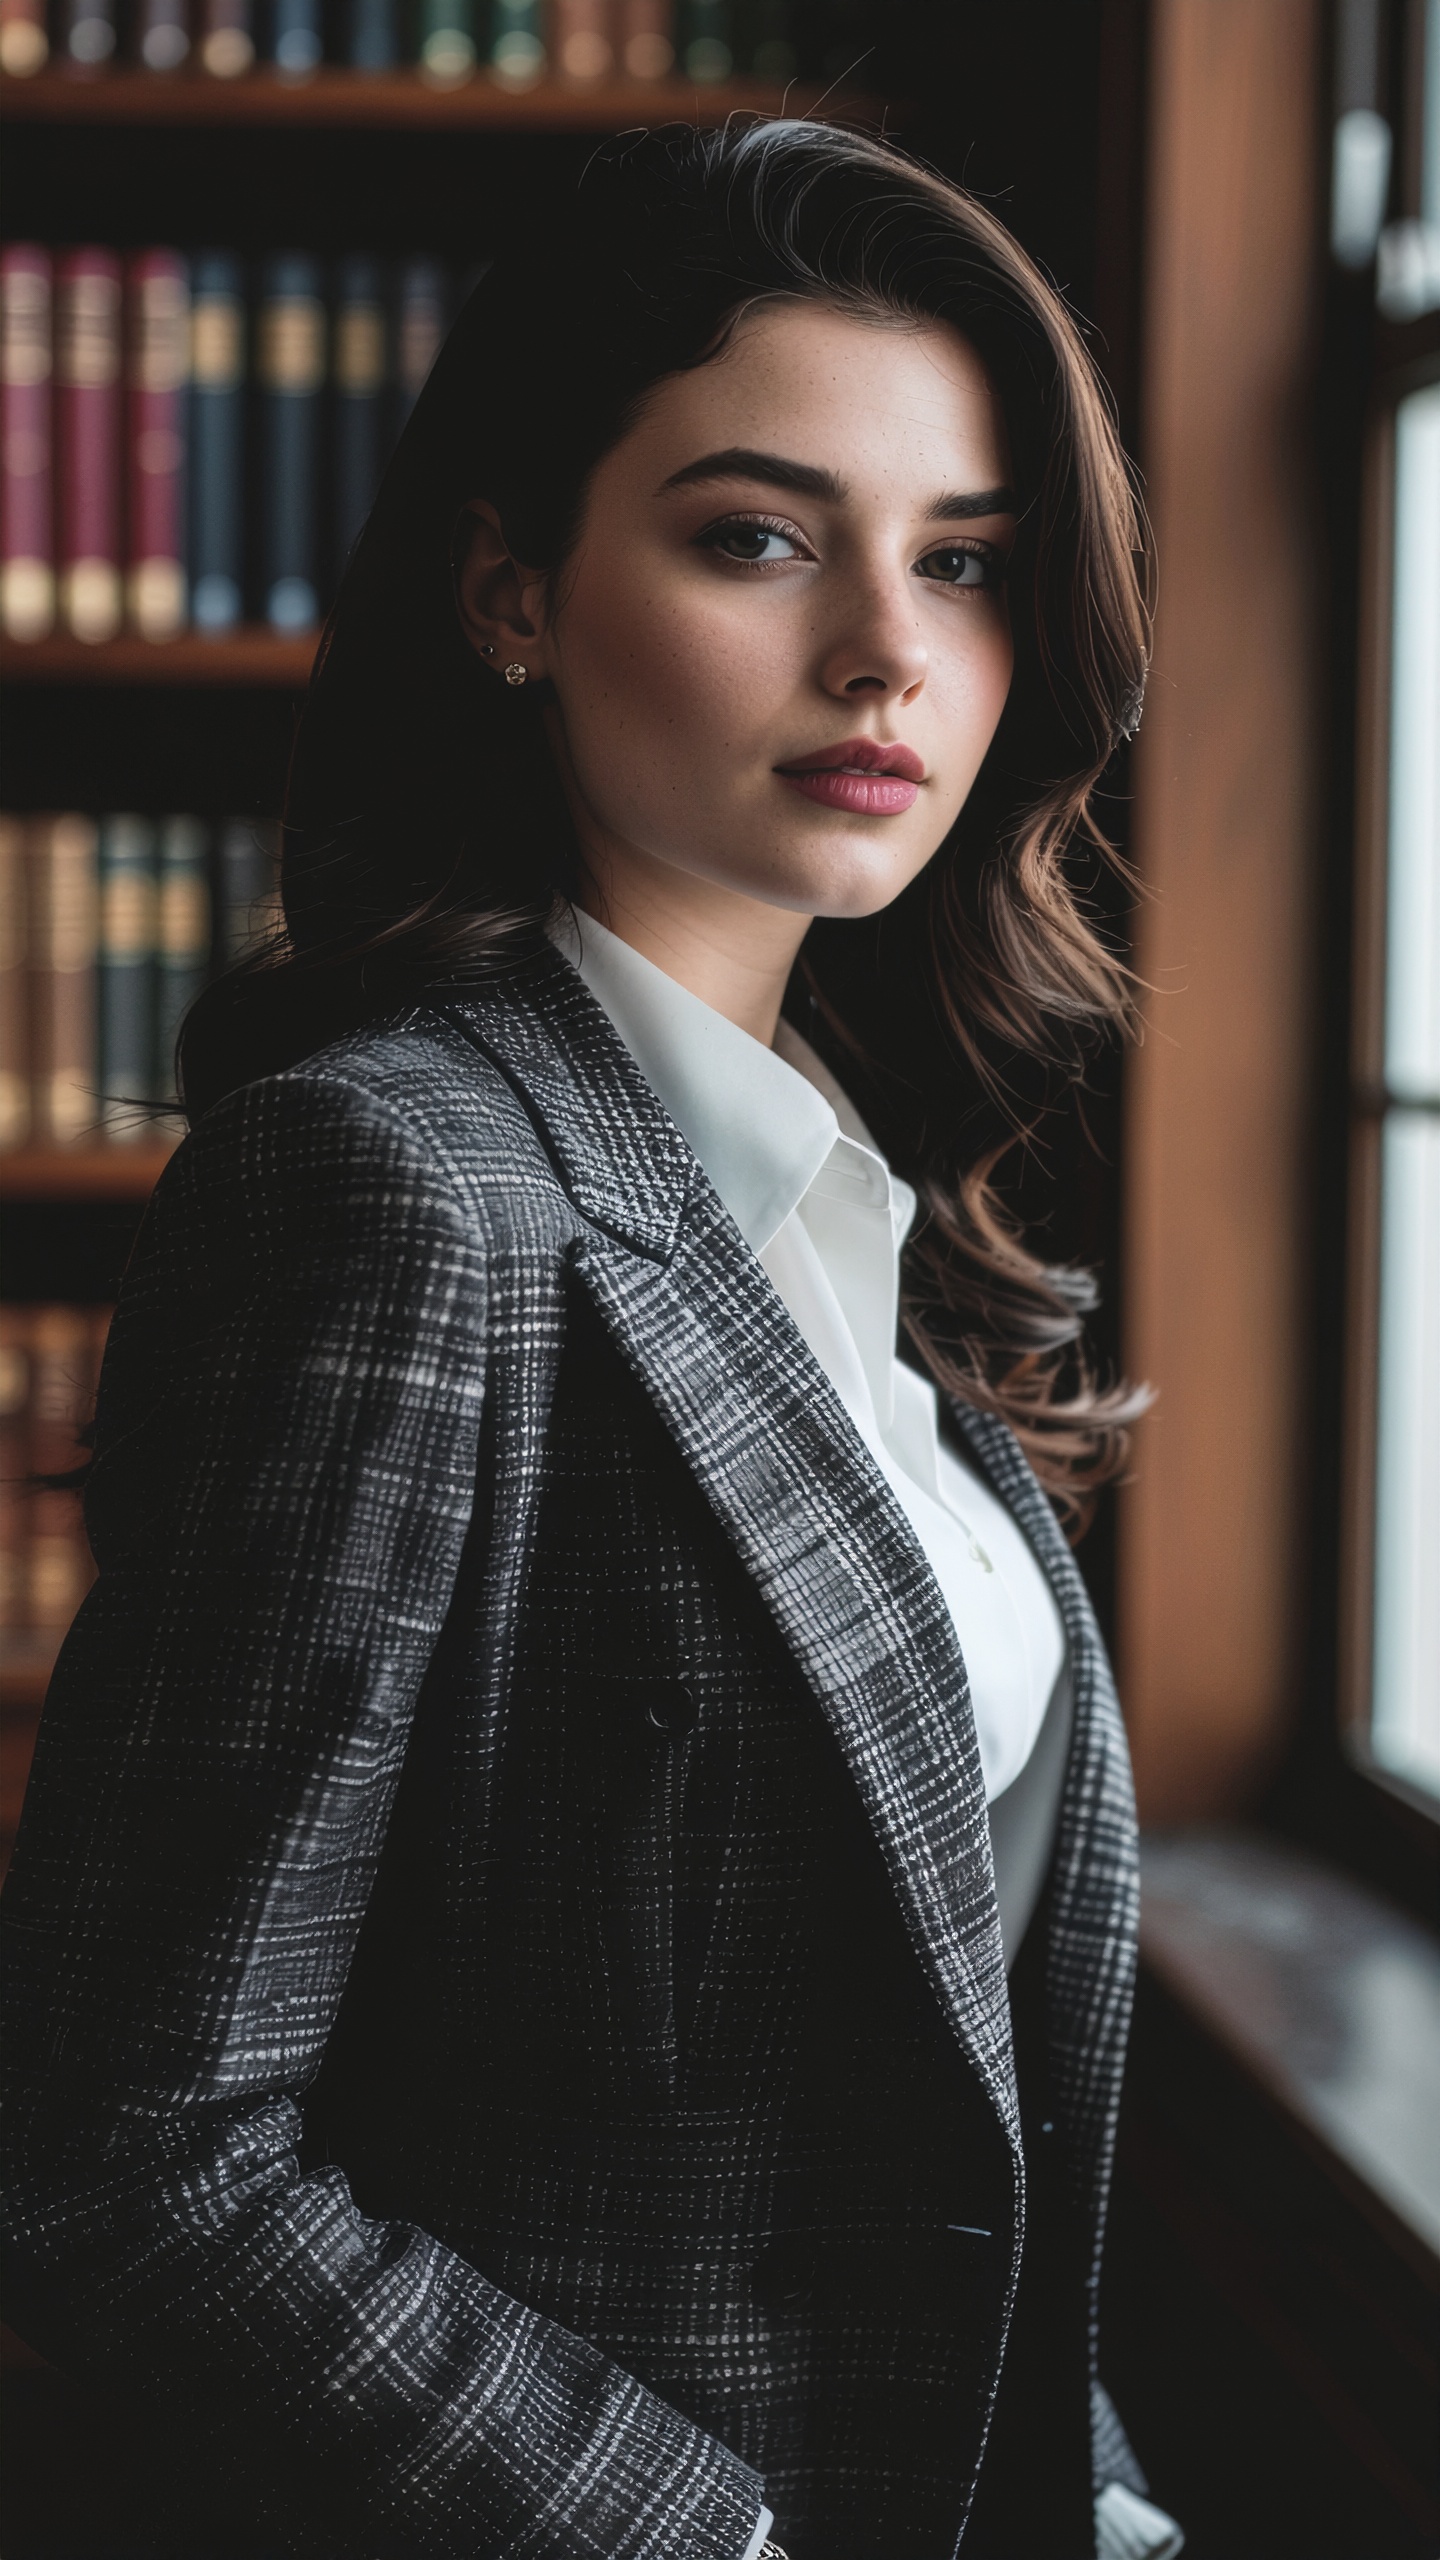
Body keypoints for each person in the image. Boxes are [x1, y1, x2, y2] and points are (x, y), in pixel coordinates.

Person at [1, 120, 1183, 2560]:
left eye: (963, 563)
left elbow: (928, 2155)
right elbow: (130, 2148)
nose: (889, 647)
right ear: (514, 588)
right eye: (760, 535)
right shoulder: (395, 1188)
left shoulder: (855, 1205)